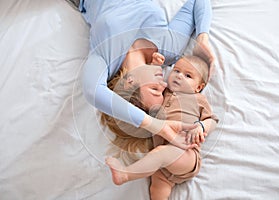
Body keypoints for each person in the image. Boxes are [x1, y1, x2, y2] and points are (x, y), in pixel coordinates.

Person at [80, 0, 214, 155]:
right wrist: (202, 38)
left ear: (129, 83)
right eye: (162, 91)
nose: (164, 84)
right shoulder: (169, 49)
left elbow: (92, 91)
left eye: (155, 89)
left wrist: (155, 126)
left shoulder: (105, 58)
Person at [106, 55, 218, 200]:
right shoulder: (162, 92)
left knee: (160, 153)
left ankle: (126, 174)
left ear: (198, 87)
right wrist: (154, 65)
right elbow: (150, 84)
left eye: (188, 75)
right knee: (157, 190)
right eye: (176, 70)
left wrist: (201, 127)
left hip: (186, 154)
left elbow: (212, 120)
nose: (179, 76)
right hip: (163, 169)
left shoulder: (198, 99)